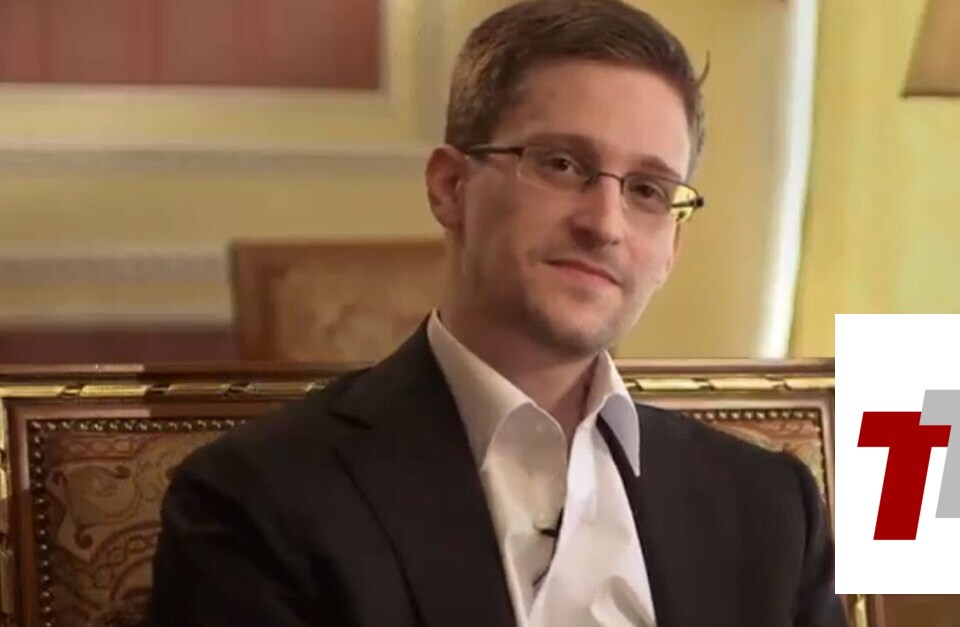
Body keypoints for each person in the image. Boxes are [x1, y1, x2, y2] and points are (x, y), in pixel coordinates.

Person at [148, 1, 844, 625]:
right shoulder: (259, 499)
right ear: (450, 187)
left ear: (671, 248)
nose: (605, 224)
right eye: (561, 164)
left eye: (647, 190)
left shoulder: (770, 508)